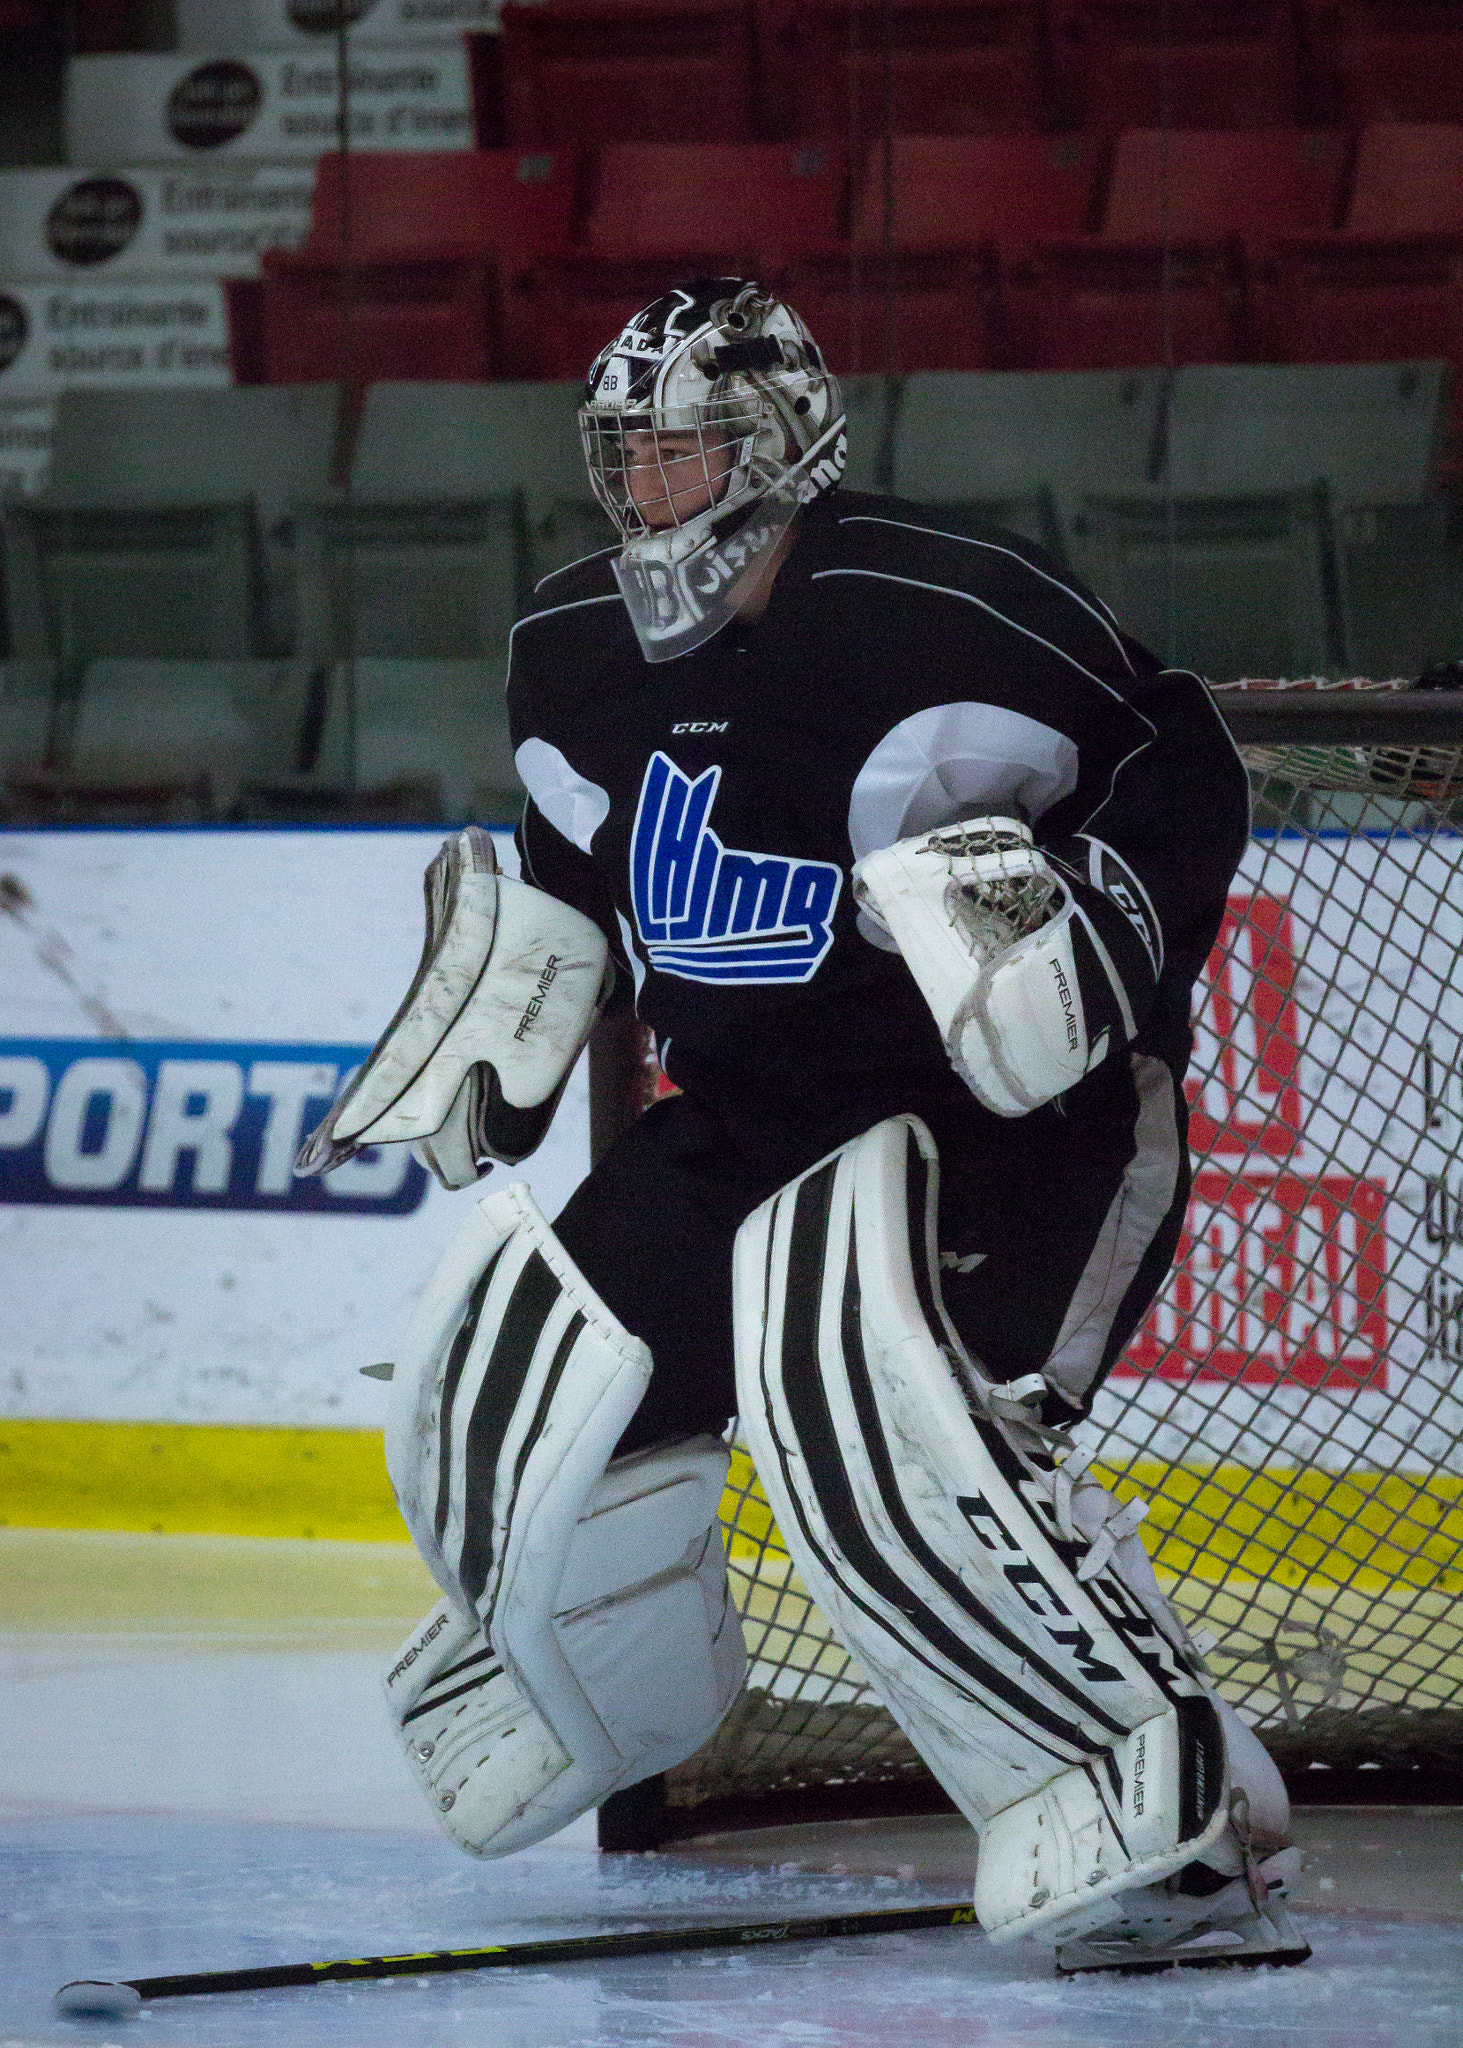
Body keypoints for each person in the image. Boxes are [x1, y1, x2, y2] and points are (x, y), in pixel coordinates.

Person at [298, 278, 1307, 1974]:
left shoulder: (947, 604)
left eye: (681, 452)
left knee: (906, 1438)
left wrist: (1101, 932)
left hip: (1001, 1128)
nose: (646, 492)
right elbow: (567, 879)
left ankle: (1172, 1816)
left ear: (779, 442)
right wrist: (503, 1019)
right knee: (511, 1381)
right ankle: (614, 1690)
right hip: (749, 1113)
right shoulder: (568, 643)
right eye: (623, 456)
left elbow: (1181, 754)